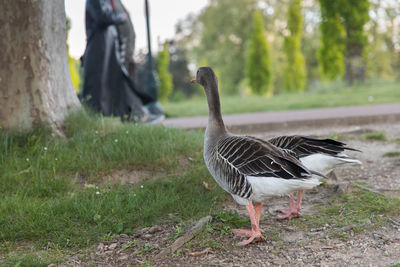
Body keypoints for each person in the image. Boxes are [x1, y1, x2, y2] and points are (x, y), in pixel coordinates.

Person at [82, 0, 163, 123]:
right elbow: (102, 17)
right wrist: (121, 17)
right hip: (100, 50)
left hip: (110, 48)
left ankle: (136, 115)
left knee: (121, 83)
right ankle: (133, 115)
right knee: (97, 89)